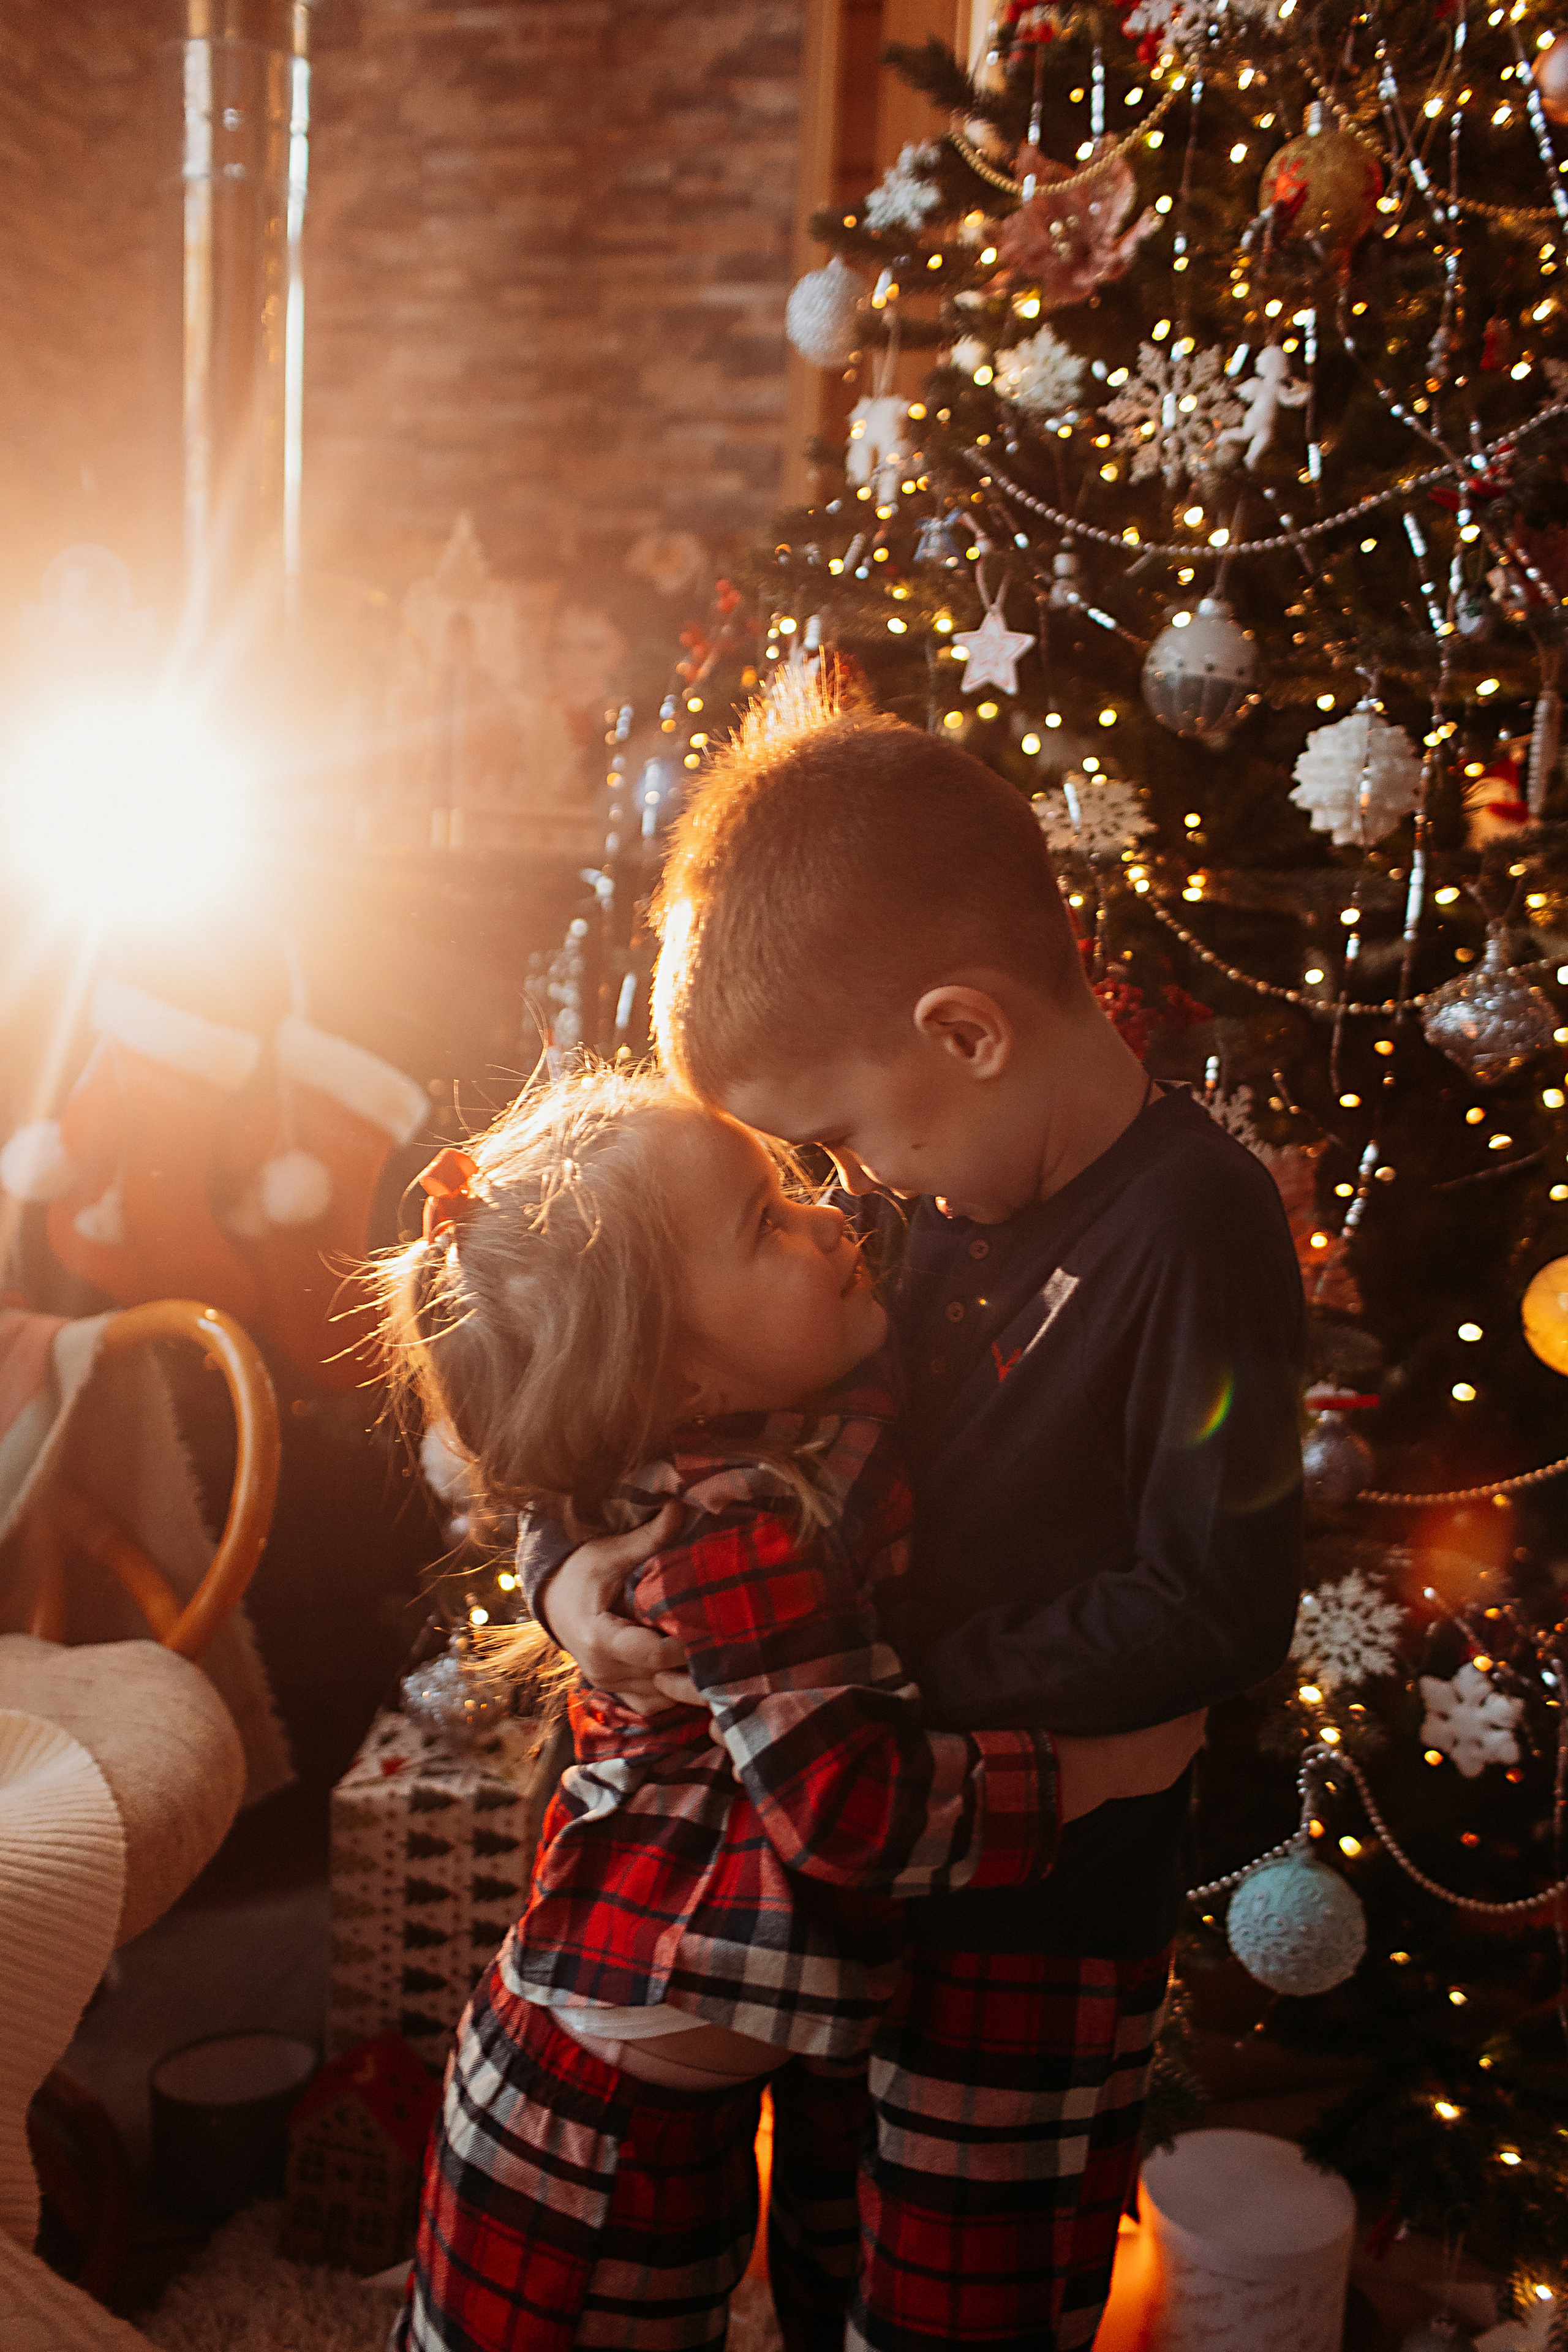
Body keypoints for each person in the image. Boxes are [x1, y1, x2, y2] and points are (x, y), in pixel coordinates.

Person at [529, 685, 1307, 2352]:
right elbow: (674, 1406)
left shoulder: (1195, 1224)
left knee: (963, 2308)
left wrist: (876, 1686)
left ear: (964, 1034)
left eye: (836, 1135)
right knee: (827, 2260)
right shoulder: (938, 1195)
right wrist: (566, 1577)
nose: (846, 1186)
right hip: (849, 1897)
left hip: (1039, 1909)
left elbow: (1214, 1597)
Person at [379, 1069, 1204, 2352]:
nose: (832, 1215)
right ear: (679, 1386)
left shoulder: (792, 1398)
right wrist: (1094, 1772)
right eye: (767, 1221)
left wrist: (556, 1579)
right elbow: (847, 1813)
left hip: (652, 2083)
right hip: (585, 2120)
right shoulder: (733, 1527)